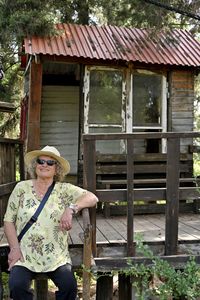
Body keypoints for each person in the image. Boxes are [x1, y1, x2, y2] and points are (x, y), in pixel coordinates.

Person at [4, 145, 98, 300]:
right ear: (35, 165)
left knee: (69, 287)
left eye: (50, 163)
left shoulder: (64, 190)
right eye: (41, 161)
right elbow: (8, 220)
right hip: (25, 255)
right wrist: (14, 248)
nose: (44, 165)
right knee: (17, 286)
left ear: (57, 169)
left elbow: (92, 198)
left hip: (56, 257)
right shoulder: (21, 188)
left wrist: (70, 209)